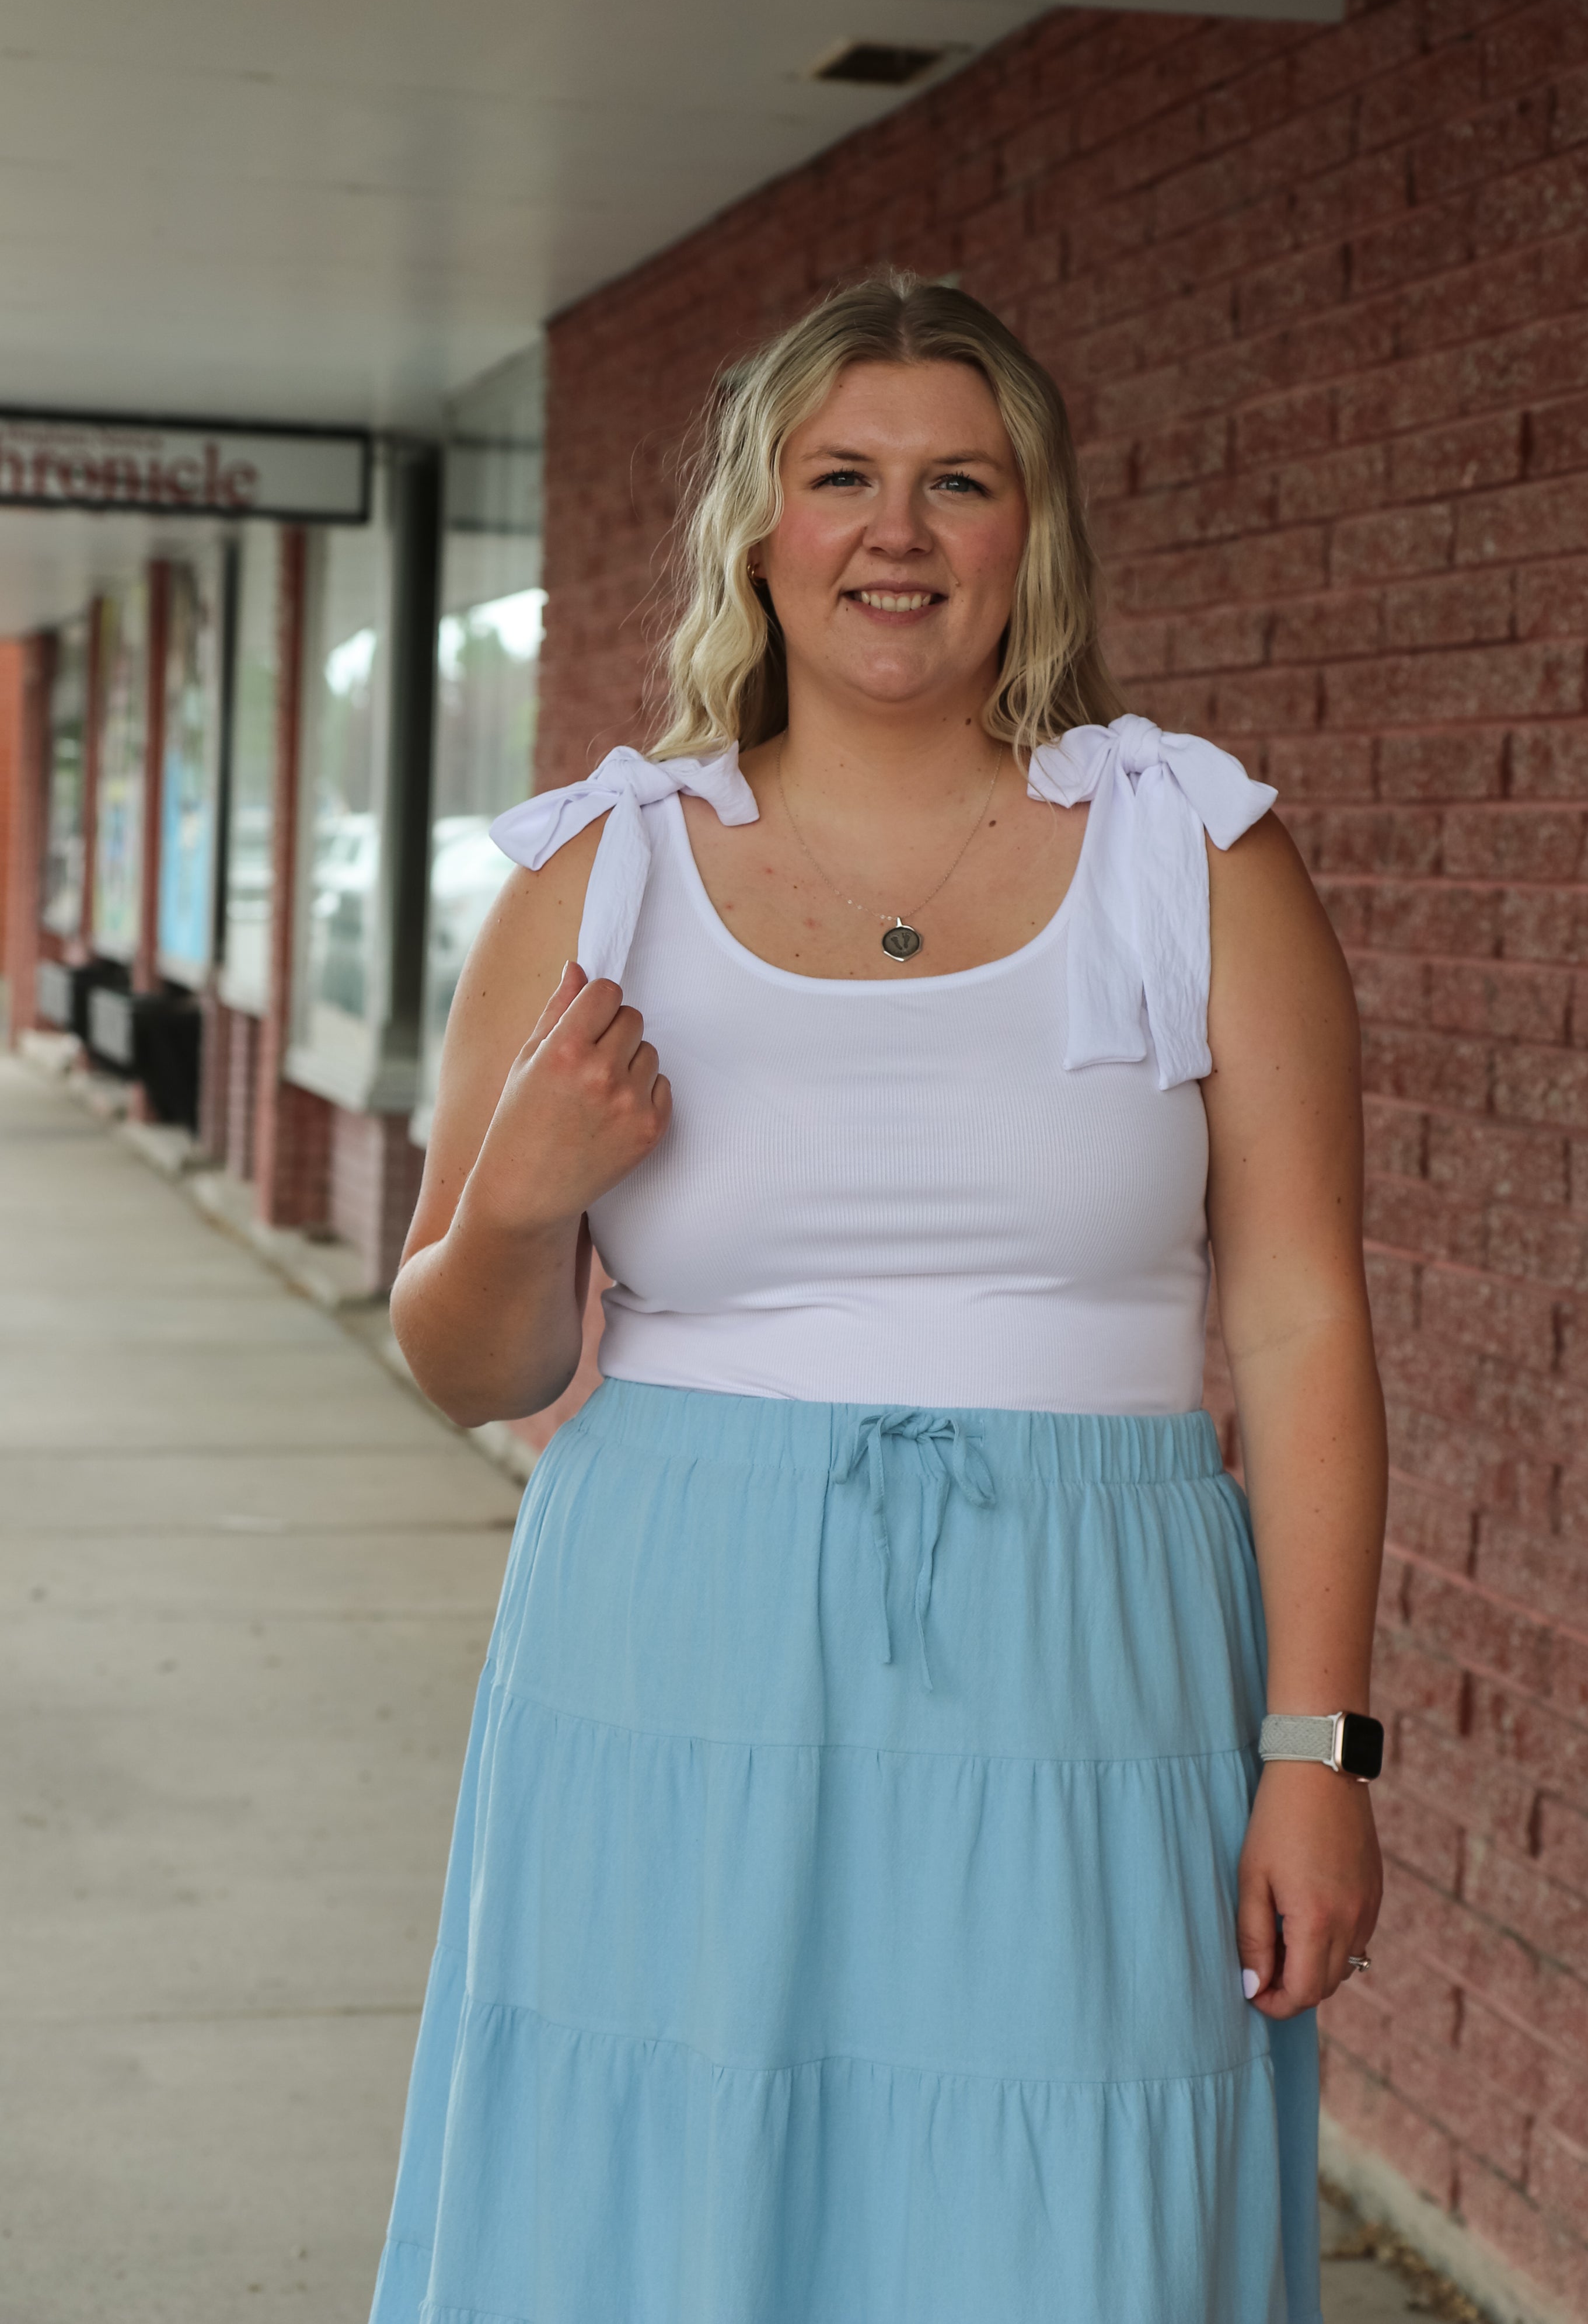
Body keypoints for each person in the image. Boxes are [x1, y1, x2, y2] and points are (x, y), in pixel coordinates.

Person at [370, 274, 1387, 2324]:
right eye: (841, 476)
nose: (896, 533)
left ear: (1035, 533)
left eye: (959, 482)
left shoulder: (1195, 855)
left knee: (1063, 2223)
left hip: (1094, 1653)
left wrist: (1321, 1748)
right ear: (759, 527)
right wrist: (518, 1203)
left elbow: (1300, 1324)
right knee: (670, 2204)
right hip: (674, 1645)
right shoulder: (602, 876)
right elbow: (469, 1361)